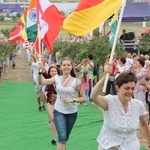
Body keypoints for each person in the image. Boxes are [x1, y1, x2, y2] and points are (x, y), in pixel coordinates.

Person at [90, 63, 150, 150]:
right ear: (117, 88)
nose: (130, 91)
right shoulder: (109, 101)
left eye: (132, 88)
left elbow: (144, 124)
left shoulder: (138, 105)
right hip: (109, 146)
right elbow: (93, 97)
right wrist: (105, 76)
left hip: (131, 147)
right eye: (127, 88)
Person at [38, 57, 86, 150]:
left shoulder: (76, 81)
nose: (66, 67)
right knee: (62, 137)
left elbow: (84, 98)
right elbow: (42, 81)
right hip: (59, 111)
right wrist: (40, 71)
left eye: (68, 65)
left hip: (72, 113)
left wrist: (72, 100)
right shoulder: (57, 78)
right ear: (61, 67)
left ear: (71, 67)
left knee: (64, 138)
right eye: (64, 65)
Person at [42, 66, 60, 145]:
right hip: (51, 102)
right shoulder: (48, 79)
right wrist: (41, 67)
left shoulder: (60, 79)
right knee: (52, 118)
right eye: (52, 71)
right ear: (49, 73)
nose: (53, 72)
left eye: (55, 71)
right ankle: (54, 137)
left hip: (59, 102)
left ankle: (60, 135)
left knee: (59, 119)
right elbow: (43, 73)